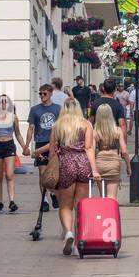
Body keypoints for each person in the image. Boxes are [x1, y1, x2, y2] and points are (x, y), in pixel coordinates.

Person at [46, 99, 98, 256]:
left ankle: (68, 232)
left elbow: (53, 150)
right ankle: (77, 245)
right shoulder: (86, 124)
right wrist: (94, 169)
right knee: (80, 206)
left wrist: (50, 170)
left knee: (65, 206)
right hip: (82, 163)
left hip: (65, 164)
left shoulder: (58, 126)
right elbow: (89, 148)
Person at [22, 84, 61, 214]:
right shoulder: (35, 110)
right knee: (42, 172)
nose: (42, 96)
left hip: (54, 143)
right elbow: (31, 128)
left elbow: (61, 127)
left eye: (44, 93)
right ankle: (45, 199)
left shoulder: (58, 109)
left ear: (50, 94)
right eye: (40, 94)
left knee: (53, 172)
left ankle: (53, 193)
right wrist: (26, 145)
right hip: (40, 142)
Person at [92, 103, 129, 202]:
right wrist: (128, 166)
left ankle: (103, 215)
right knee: (112, 197)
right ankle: (112, 217)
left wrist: (93, 168)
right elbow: (124, 151)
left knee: (102, 196)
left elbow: (91, 149)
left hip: (99, 162)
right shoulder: (117, 130)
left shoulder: (95, 131)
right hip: (114, 163)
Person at [90, 80, 127, 150]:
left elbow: (91, 122)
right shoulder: (118, 105)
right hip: (113, 139)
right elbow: (122, 125)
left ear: (103, 88)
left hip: (99, 139)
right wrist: (124, 145)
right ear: (115, 90)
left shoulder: (95, 103)